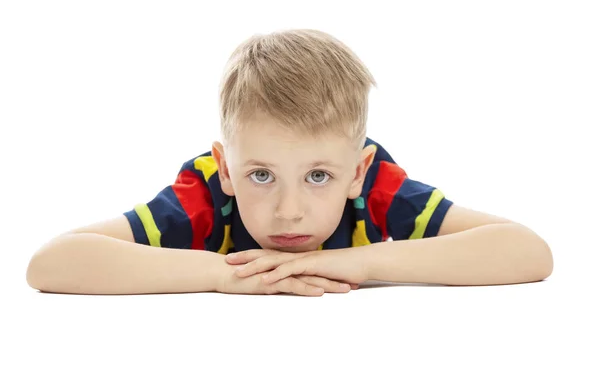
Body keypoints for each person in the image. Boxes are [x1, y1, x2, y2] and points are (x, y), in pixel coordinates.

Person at [25, 29, 553, 296]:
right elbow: (51, 263)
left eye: (318, 176)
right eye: (261, 175)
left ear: (356, 172)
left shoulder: (376, 190)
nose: (289, 211)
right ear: (227, 168)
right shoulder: (207, 194)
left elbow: (528, 252)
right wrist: (219, 275)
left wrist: (361, 263)